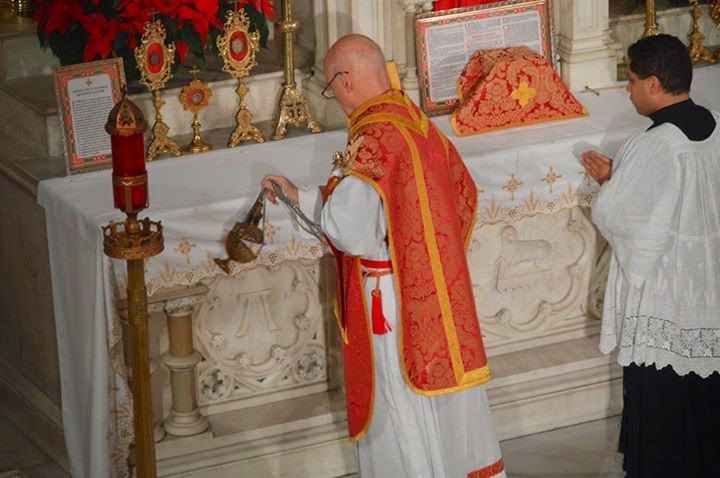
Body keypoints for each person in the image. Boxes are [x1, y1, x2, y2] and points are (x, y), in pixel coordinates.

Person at [262, 34, 505, 477]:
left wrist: (322, 197)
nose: (336, 99)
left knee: (400, 410)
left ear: (345, 80)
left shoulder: (374, 138)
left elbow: (352, 232)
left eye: (331, 88)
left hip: (390, 303)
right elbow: (464, 193)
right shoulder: (416, 121)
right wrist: (431, 257)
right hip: (435, 294)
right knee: (447, 409)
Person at [581, 34, 720, 478]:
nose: (629, 90)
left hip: (667, 292)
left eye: (633, 80)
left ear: (654, 85)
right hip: (708, 286)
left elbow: (620, 216)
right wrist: (622, 177)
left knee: (665, 405)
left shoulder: (653, 144)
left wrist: (612, 183)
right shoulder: (715, 123)